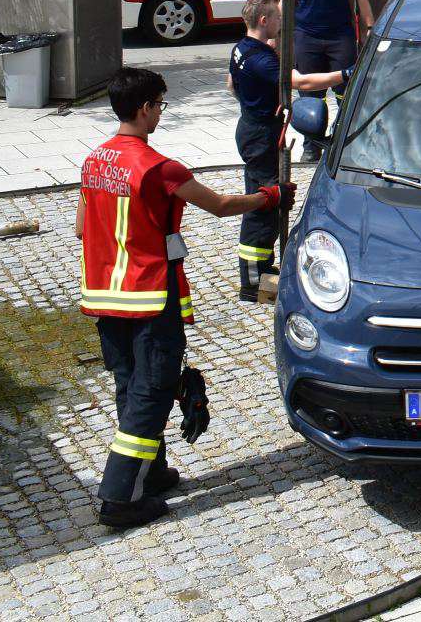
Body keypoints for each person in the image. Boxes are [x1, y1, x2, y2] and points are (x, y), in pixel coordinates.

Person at [78, 66, 290, 529]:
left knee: (128, 385)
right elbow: (219, 205)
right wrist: (269, 197)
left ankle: (149, 476)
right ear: (144, 108)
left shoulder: (94, 161)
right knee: (152, 392)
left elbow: (81, 228)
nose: (160, 114)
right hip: (151, 296)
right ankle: (119, 498)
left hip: (103, 298)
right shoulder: (160, 167)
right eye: (159, 105)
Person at [227, 0, 346, 300]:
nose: (282, 23)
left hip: (252, 126)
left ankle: (261, 271)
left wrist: (256, 103)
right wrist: (346, 75)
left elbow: (231, 85)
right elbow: (303, 82)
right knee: (263, 204)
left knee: (263, 199)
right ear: (264, 21)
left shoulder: (242, 48)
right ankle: (254, 282)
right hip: (260, 134)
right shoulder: (260, 58)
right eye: (277, 18)